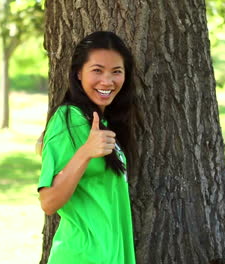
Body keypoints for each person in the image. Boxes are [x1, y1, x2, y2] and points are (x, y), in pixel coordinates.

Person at [37, 31, 136, 264]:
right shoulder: (68, 119)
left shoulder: (101, 123)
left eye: (116, 72)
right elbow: (48, 202)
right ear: (78, 73)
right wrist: (85, 152)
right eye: (97, 70)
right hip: (82, 256)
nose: (107, 81)